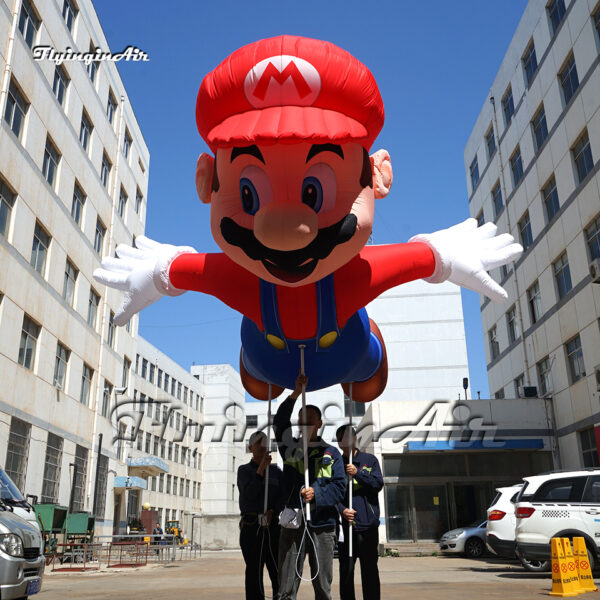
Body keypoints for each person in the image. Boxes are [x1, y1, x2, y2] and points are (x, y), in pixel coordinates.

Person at [274, 374, 346, 600]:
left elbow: (339, 487)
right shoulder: (290, 448)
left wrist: (317, 494)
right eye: (301, 420)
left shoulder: (331, 453)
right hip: (293, 522)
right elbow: (279, 423)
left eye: (310, 420)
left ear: (319, 424)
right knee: (286, 585)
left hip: (323, 526)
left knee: (323, 586)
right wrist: (295, 393)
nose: (304, 424)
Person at [335, 425, 383, 600]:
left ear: (355, 438)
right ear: (339, 443)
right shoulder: (336, 464)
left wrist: (358, 474)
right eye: (341, 438)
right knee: (346, 572)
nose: (345, 440)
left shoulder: (369, 460)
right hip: (346, 528)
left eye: (348, 436)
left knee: (369, 570)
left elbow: (378, 484)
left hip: (368, 527)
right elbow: (333, 493)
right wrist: (342, 510)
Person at [237, 431, 283, 600]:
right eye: (258, 443)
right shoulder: (244, 471)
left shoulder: (277, 471)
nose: (263, 446)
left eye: (265, 443)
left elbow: (283, 496)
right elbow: (249, 494)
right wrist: (261, 469)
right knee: (254, 573)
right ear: (251, 448)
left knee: (278, 570)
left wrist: (274, 510)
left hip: (272, 528)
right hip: (251, 527)